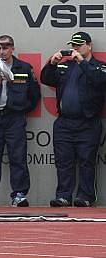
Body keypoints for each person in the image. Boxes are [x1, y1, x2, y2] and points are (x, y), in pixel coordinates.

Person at [40, 32, 106, 207]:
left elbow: (100, 80)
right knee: (63, 161)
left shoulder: (99, 67)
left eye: (79, 44)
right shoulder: (65, 66)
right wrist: (53, 64)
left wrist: (82, 62)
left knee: (87, 160)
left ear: (89, 45)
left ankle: (85, 196)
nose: (75, 48)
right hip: (64, 122)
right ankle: (63, 195)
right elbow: (45, 78)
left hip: (88, 122)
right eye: (73, 45)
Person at [0, 35, 41, 207]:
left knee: (18, 157)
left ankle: (19, 194)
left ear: (12, 48)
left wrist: (20, 109)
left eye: (5, 48)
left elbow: (35, 96)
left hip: (15, 119)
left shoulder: (25, 68)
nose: (1, 51)